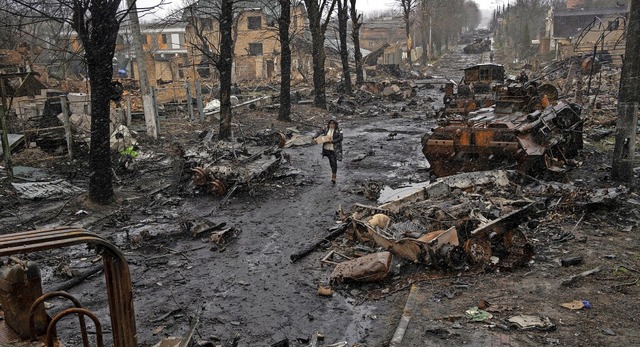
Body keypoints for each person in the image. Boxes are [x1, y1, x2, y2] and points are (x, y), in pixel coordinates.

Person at [314, 117, 343, 184]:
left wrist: (333, 141)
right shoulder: (326, 129)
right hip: (327, 148)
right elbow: (319, 132)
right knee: (330, 161)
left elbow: (341, 138)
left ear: (335, 124)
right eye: (330, 123)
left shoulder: (339, 130)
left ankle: (334, 175)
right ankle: (333, 172)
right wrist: (315, 137)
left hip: (334, 149)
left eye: (333, 124)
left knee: (334, 162)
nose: (331, 125)